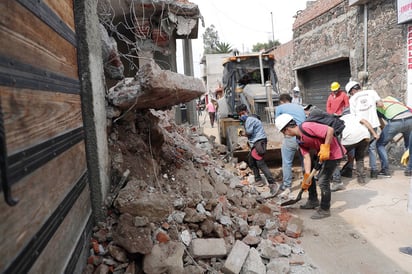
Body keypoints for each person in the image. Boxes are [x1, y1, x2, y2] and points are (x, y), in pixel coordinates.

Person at [275, 113, 346, 219]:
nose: (285, 135)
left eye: (283, 132)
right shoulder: (299, 140)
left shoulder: (306, 127)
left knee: (323, 181)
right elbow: (306, 157)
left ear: (287, 129)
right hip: (323, 155)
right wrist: (307, 176)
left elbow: (329, 130)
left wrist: (326, 147)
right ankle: (313, 200)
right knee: (310, 176)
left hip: (334, 153)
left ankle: (325, 209)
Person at [236, 104, 280, 195]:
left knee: (260, 162)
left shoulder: (250, 120)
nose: (241, 116)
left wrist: (242, 133)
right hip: (256, 142)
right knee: (251, 161)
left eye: (242, 114)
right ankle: (258, 180)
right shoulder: (250, 119)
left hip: (259, 142)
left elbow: (249, 133)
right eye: (239, 115)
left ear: (245, 112)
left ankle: (272, 183)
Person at [346, 80, 384, 178]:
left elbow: (354, 117)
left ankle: (357, 172)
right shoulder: (372, 92)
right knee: (372, 148)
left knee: (358, 149)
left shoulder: (352, 99)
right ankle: (374, 172)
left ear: (352, 90)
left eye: (350, 93)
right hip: (374, 124)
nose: (351, 94)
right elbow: (380, 104)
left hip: (361, 127)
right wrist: (371, 105)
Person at [334, 108, 379, 187]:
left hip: (349, 138)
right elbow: (365, 122)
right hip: (364, 136)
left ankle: (337, 181)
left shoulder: (341, 119)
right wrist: (374, 134)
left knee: (335, 159)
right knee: (360, 158)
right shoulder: (356, 116)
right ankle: (361, 179)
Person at [275, 93, 307, 198]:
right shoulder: (300, 107)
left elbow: (279, 123)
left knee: (287, 162)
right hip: (303, 135)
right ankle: (307, 181)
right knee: (305, 160)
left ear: (281, 101)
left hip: (291, 136)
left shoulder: (279, 108)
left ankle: (286, 186)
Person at [376, 96, 412, 177]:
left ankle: (385, 170)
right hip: (410, 119)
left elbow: (381, 123)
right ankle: (409, 169)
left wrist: (387, 135)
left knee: (380, 144)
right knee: (409, 145)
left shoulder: (376, 106)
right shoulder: (391, 98)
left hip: (395, 121)